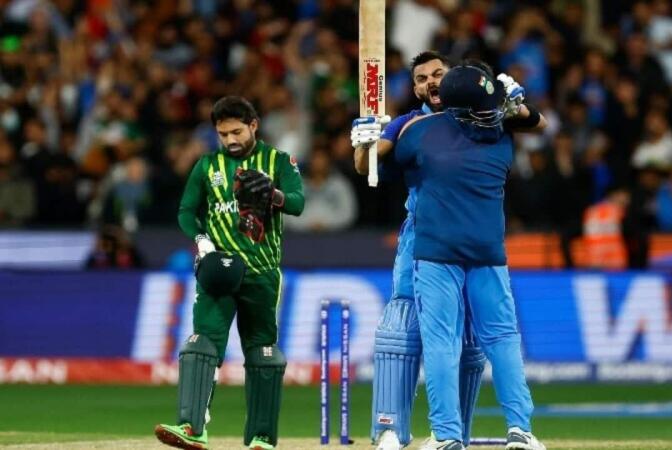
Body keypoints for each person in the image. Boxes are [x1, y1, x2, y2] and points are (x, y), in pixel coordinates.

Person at [351, 51, 546, 450]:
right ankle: (518, 430)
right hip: (482, 247)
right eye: (423, 79)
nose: (432, 83)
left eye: (439, 75)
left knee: (443, 341)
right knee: (497, 338)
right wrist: (511, 104)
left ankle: (448, 434)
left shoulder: (416, 132)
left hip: (436, 246)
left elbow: (372, 168)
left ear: (452, 84)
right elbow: (536, 123)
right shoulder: (500, 131)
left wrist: (367, 145)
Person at [154, 96, 304, 450]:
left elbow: (298, 203)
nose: (230, 140)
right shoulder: (207, 165)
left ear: (254, 125)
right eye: (223, 134)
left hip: (262, 273)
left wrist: (273, 195)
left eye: (237, 132)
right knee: (201, 344)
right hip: (219, 270)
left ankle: (262, 438)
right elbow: (186, 211)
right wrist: (201, 239)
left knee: (263, 353)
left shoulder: (278, 161)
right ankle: (192, 428)